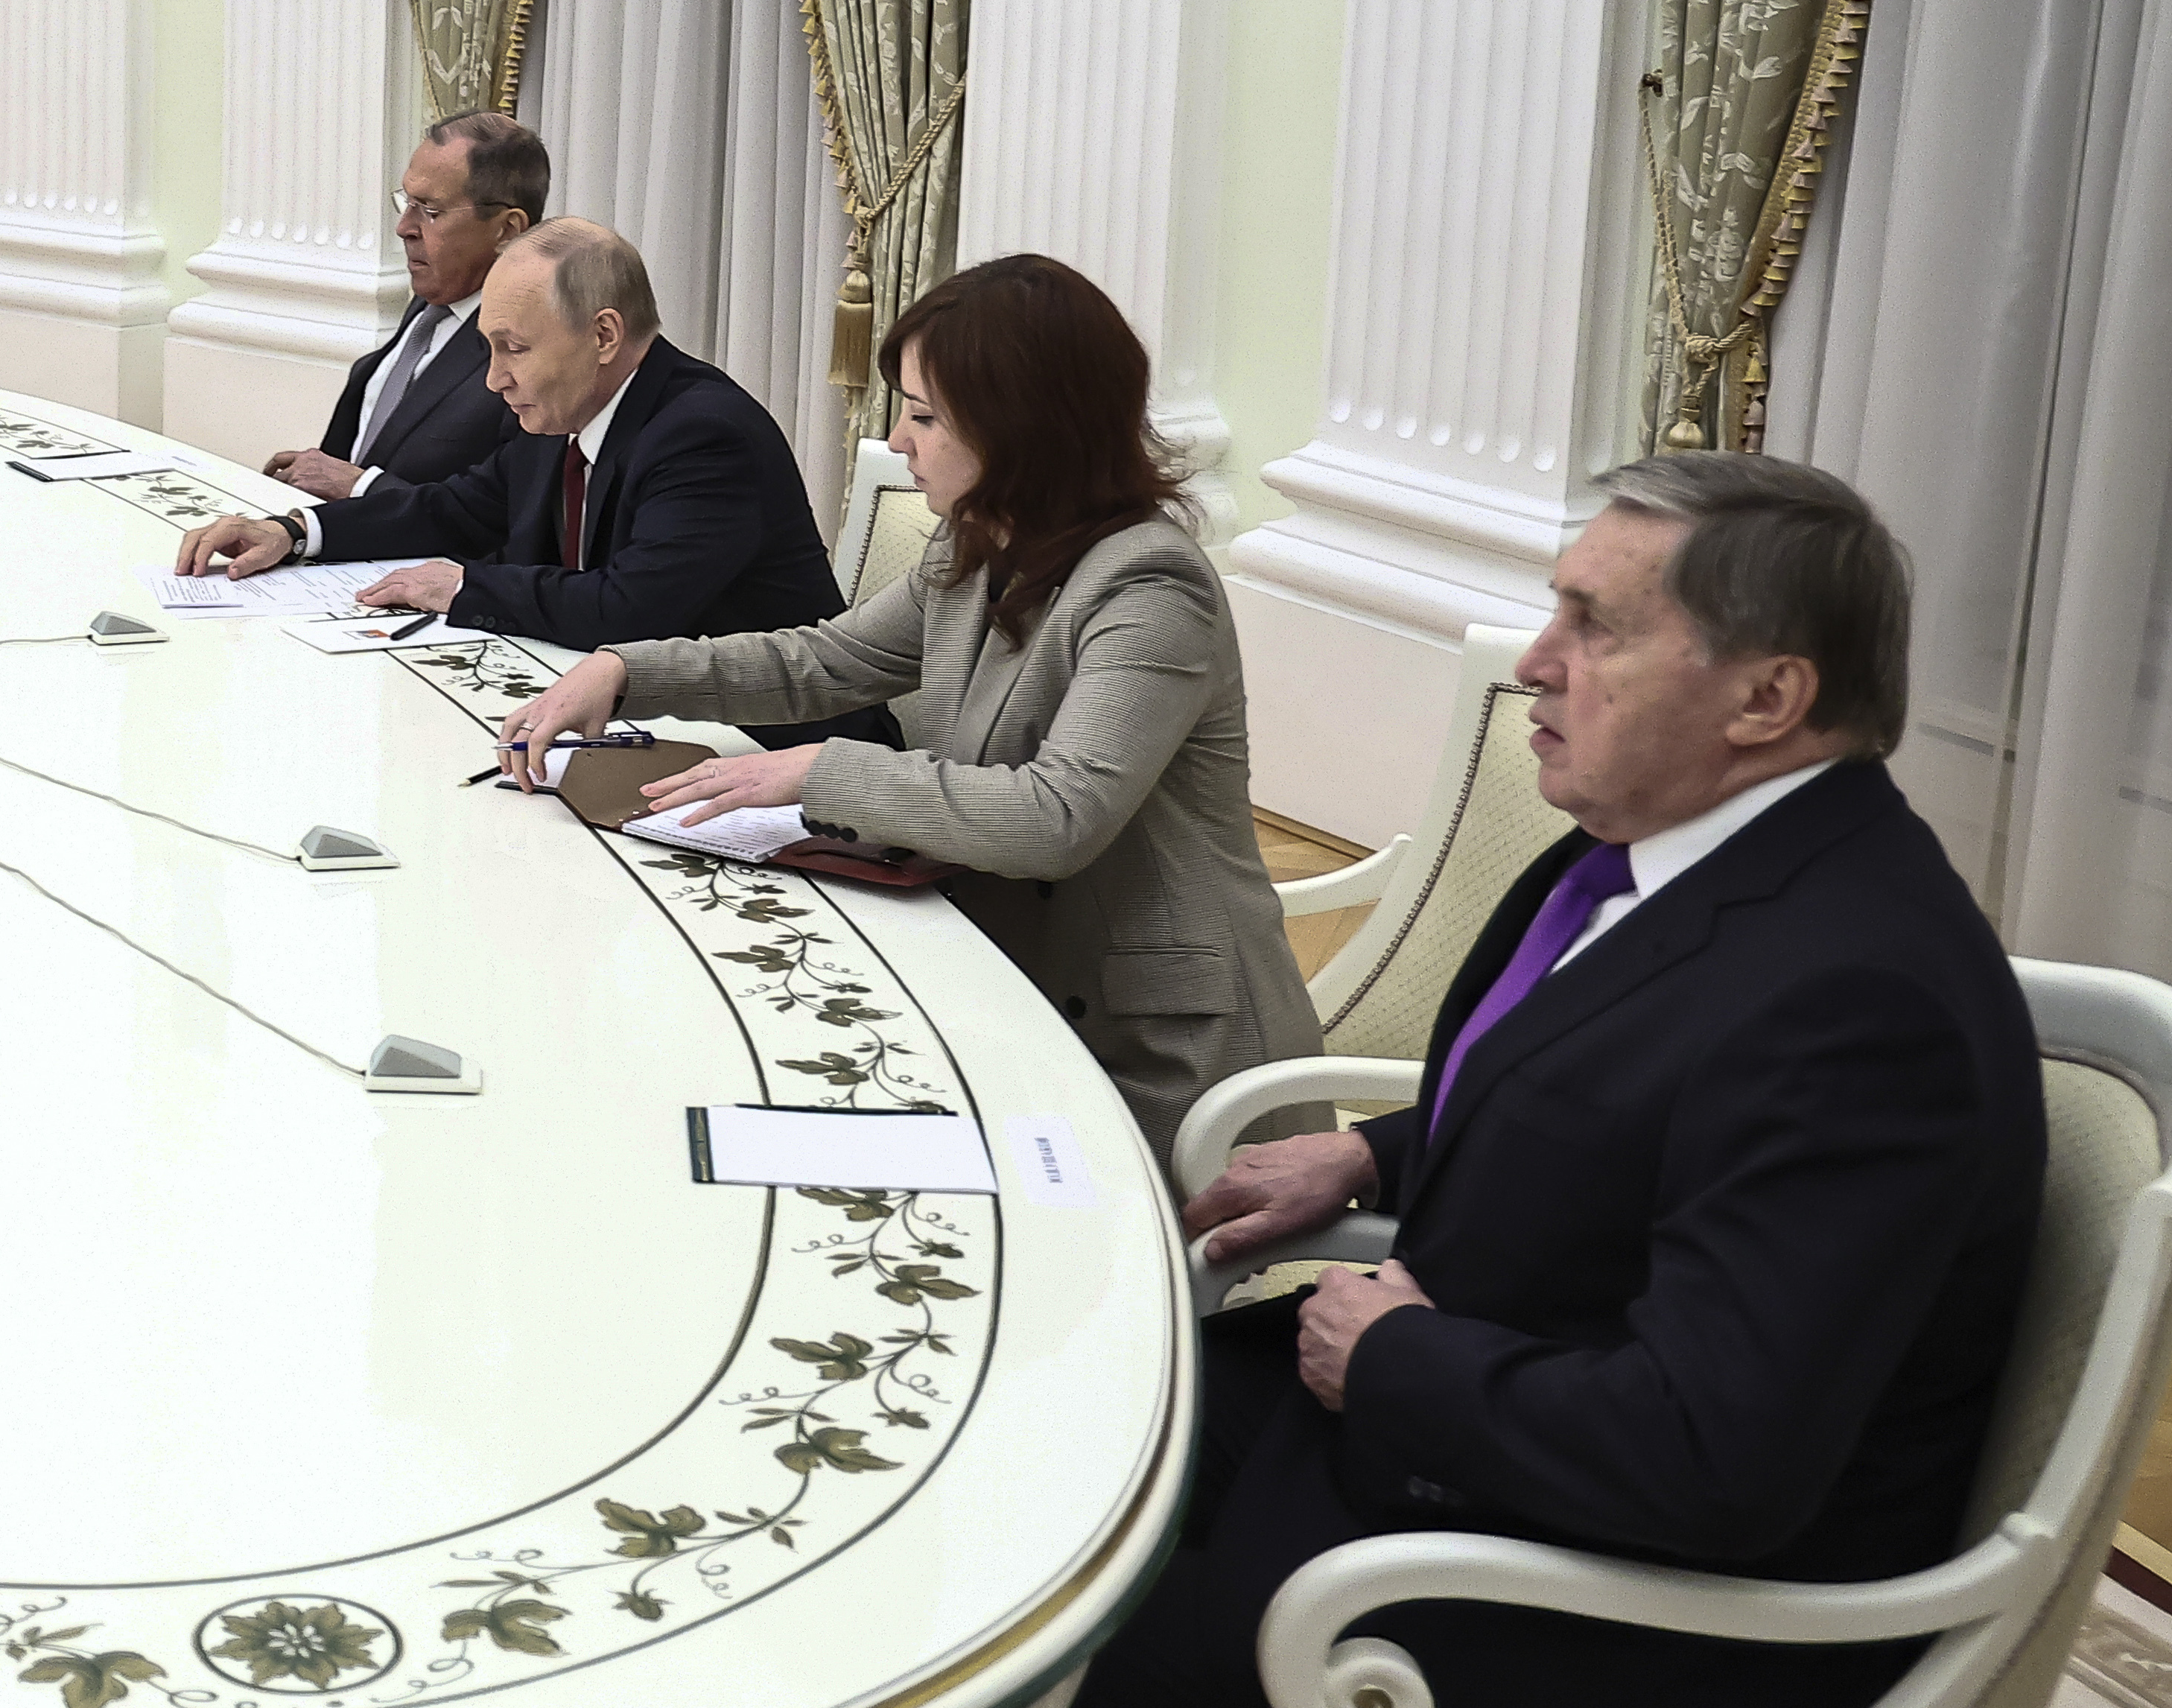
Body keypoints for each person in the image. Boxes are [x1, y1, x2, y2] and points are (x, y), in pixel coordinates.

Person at [901, 454, 2040, 1708]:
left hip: (1627, 1616)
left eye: (1595, 626)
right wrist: (1377, 1155)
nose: (1539, 662)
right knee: (1066, 1439)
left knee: (1035, 1698)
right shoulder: (1664, 855)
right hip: (1472, 1431)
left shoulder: (1854, 1002)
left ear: (1767, 698)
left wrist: (1391, 1366)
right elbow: (1616, 1111)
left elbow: (1719, 1461)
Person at [496, 255, 1316, 1159]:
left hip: (1163, 1056)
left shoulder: (1150, 586)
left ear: (1023, 429)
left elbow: (1057, 816)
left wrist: (817, 771)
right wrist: (625, 669)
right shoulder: (978, 546)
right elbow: (826, 659)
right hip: (1012, 988)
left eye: (925, 415)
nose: (898, 438)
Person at [171, 220, 846, 658]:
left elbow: (630, 611)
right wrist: (295, 533)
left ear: (604, 336)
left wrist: (464, 587)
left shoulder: (703, 435)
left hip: (769, 749)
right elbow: (453, 508)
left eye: (513, 349)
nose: (495, 379)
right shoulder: (563, 409)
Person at [262, 112, 541, 503]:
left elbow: (501, 519)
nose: (404, 227)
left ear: (507, 230)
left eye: (430, 211)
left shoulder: (528, 352)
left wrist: (360, 487)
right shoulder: (431, 303)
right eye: (406, 202)